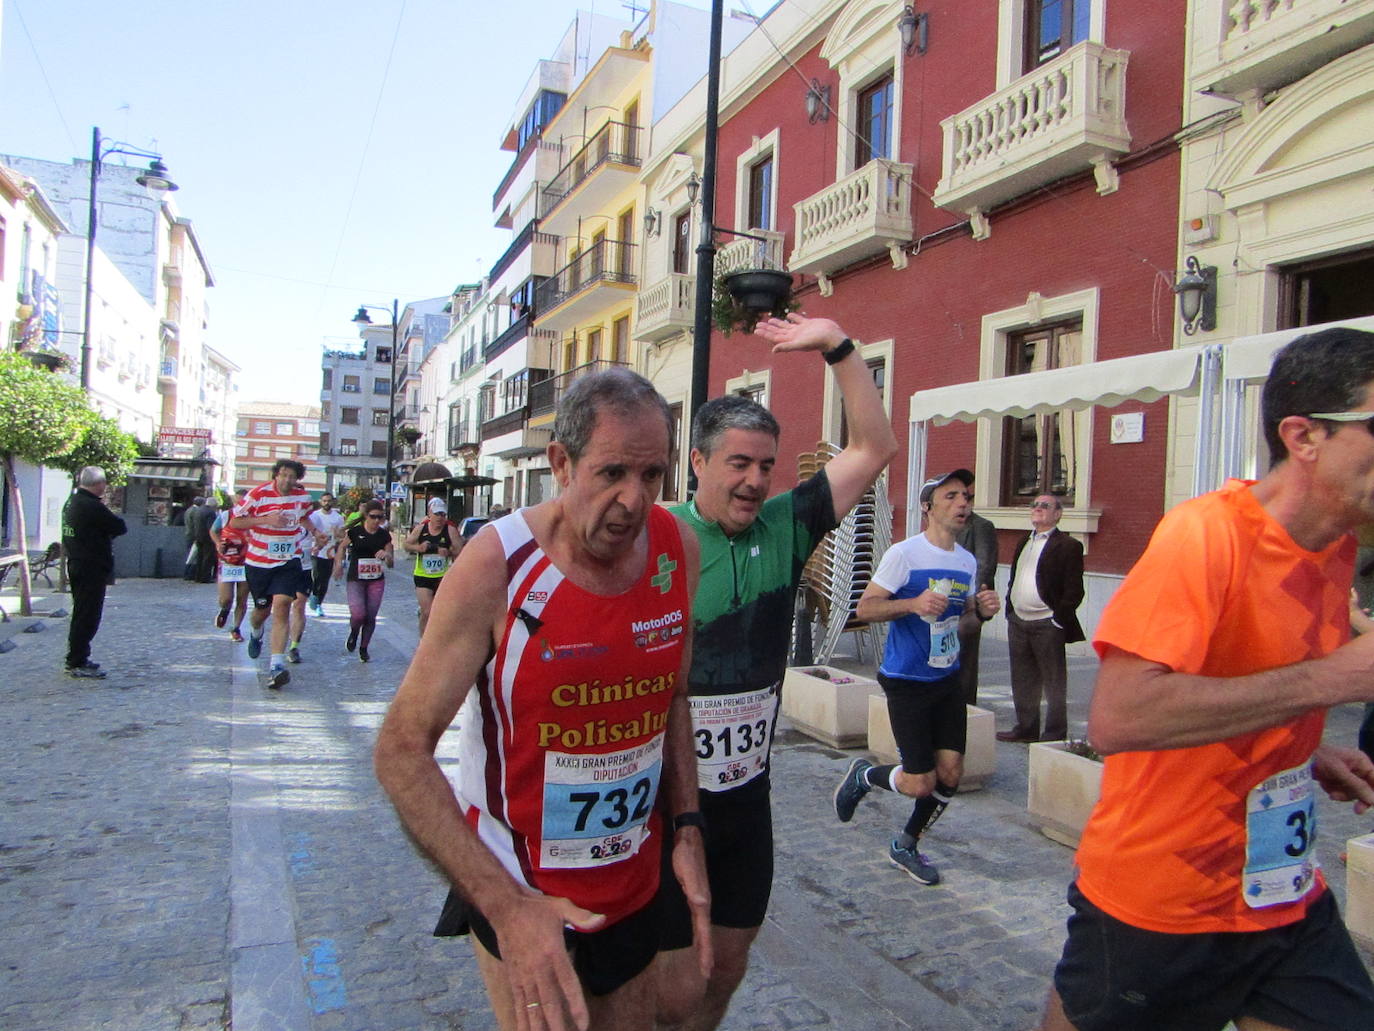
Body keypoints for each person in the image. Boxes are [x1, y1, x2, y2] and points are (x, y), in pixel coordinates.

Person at [1037, 326, 1374, 1031]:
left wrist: (1303, 749)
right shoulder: (1205, 536)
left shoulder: (1340, 546)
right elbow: (1120, 718)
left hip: (1281, 890)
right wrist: (1329, 681)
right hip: (1164, 901)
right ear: (1304, 436)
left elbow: (1243, 677)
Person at [374, 368, 711, 1031]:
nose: (634, 499)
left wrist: (689, 826)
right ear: (561, 462)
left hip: (634, 878)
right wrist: (505, 907)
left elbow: (672, 697)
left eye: (652, 475)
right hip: (520, 884)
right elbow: (400, 749)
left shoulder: (680, 548)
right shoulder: (495, 564)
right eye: (612, 472)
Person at [655, 313, 897, 1031]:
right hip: (665, 806)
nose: (757, 480)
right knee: (670, 985)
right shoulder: (659, 535)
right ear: (697, 463)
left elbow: (875, 445)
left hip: (745, 800)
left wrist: (838, 345)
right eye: (739, 463)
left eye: (767, 464)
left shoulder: (788, 524)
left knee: (725, 970)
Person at [831, 470, 1000, 885]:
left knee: (951, 774)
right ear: (928, 508)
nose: (963, 504)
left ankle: (906, 844)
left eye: (967, 496)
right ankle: (864, 776)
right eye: (952, 496)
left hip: (946, 678)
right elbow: (866, 609)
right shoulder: (905, 554)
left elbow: (956, 617)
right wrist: (911, 603)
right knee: (919, 781)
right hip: (906, 678)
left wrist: (980, 610)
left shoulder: (965, 560)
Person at [996, 494, 1085, 743]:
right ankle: (1026, 727)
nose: (1037, 509)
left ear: (1058, 514)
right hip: (1019, 621)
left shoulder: (1068, 545)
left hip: (1047, 622)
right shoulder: (1024, 540)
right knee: (1023, 678)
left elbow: (1074, 590)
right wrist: (1010, 609)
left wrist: (1059, 618)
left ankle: (1054, 733)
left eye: (1044, 506)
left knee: (1053, 681)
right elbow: (1016, 576)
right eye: (1034, 505)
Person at [230, 459, 313, 689]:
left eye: (292, 476)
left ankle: (276, 665)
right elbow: (236, 521)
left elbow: (304, 517)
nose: (287, 480)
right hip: (259, 562)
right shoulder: (258, 494)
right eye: (283, 475)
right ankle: (256, 631)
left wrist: (317, 532)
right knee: (261, 611)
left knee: (284, 605)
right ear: (276, 475)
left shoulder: (303, 498)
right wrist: (265, 519)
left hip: (288, 559)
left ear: (298, 479)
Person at [60, 466, 127, 679]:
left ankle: (78, 657)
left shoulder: (71, 502)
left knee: (81, 612)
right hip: (91, 566)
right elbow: (119, 526)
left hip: (77, 562)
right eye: (103, 483)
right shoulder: (92, 506)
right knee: (87, 615)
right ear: (98, 484)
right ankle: (77, 660)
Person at [954, 482, 998, 707]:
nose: (962, 505)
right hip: (945, 601)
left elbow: (984, 564)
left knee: (966, 658)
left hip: (968, 604)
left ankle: (965, 706)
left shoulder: (981, 526)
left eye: (966, 499)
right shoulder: (950, 526)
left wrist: (970, 602)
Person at [335, 499, 394, 662]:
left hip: (376, 580)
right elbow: (342, 547)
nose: (376, 521)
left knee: (370, 616)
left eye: (380, 518)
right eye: (373, 517)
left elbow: (391, 562)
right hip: (356, 578)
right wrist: (338, 565)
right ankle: (354, 632)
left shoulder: (384, 535)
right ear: (366, 516)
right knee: (358, 613)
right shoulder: (355, 532)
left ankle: (364, 647)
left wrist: (386, 555)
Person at [404, 496, 460, 636]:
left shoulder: (450, 530)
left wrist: (448, 552)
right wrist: (419, 548)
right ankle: (424, 641)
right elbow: (406, 545)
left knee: (440, 613)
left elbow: (460, 551)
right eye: (437, 514)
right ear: (429, 514)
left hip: (442, 576)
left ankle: (436, 638)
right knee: (428, 611)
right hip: (423, 575)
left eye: (443, 514)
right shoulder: (421, 528)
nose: (440, 518)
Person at [210, 495, 250, 642]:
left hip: (247, 562)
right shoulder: (226, 515)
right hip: (226, 562)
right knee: (226, 598)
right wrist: (217, 543)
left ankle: (235, 628)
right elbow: (213, 530)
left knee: (242, 598)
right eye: (239, 501)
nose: (241, 504)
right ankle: (225, 609)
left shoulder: (253, 517)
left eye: (244, 501)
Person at [306, 492, 344, 615]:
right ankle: (314, 595)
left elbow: (341, 535)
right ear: (321, 502)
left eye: (329, 501)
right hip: (316, 549)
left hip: (329, 550)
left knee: (325, 579)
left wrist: (337, 533)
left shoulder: (338, 517)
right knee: (316, 575)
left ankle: (318, 603)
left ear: (332, 502)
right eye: (324, 501)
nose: (327, 503)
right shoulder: (314, 516)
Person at [183, 495, 207, 581]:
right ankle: (189, 574)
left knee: (190, 555)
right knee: (193, 556)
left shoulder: (188, 510)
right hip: (194, 536)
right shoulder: (197, 511)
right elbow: (196, 525)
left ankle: (188, 573)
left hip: (189, 534)